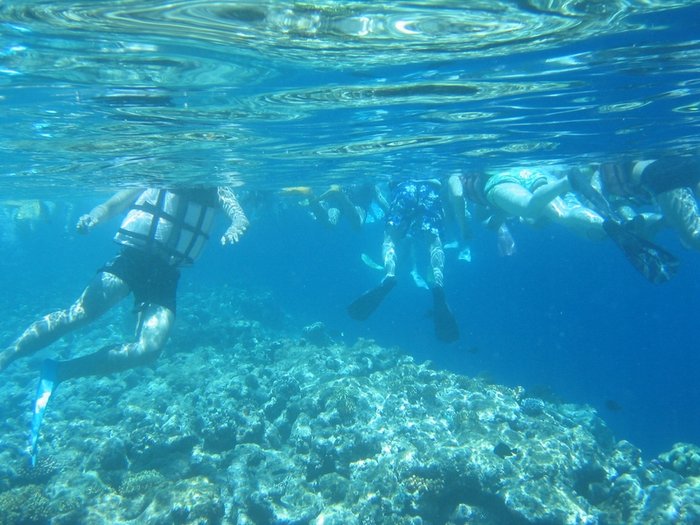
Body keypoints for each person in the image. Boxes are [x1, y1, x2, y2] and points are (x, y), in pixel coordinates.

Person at [0, 186, 249, 464]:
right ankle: (7, 355)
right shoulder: (157, 172)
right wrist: (93, 218)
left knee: (149, 349)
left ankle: (58, 372)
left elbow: (238, 215)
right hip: (132, 259)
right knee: (81, 313)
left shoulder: (217, 187)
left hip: (166, 274)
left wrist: (236, 227)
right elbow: (111, 205)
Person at [347, 179, 459, 342]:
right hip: (430, 189)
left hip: (404, 188)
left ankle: (389, 275)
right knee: (434, 242)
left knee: (390, 238)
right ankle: (438, 284)